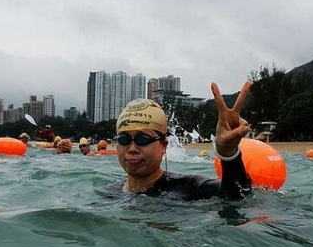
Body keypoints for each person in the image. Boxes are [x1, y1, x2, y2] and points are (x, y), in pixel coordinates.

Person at [101, 81, 252, 201]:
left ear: (163, 146)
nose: (132, 148)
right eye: (124, 139)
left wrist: (228, 154)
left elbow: (237, 196)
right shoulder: (108, 192)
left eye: (143, 139)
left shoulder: (188, 188)